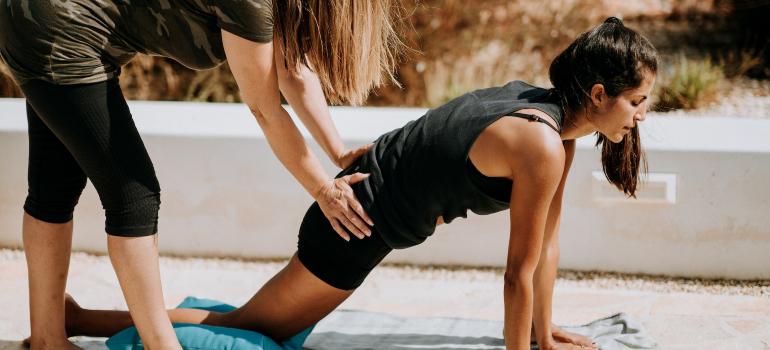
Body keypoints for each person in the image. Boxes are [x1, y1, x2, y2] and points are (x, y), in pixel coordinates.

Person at [57, 17, 657, 350]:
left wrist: (542, 337)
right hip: (354, 220)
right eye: (637, 100)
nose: (641, 115)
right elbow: (517, 273)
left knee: (254, 319)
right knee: (251, 326)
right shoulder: (542, 143)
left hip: (365, 205)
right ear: (598, 94)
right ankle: (81, 321)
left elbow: (545, 248)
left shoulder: (554, 123)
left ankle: (85, 318)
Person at [0, 0, 407, 348]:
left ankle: (47, 337)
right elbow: (265, 110)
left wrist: (337, 150)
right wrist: (323, 189)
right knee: (134, 196)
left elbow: (292, 72)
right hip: (57, 28)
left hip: (43, 19)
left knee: (55, 186)